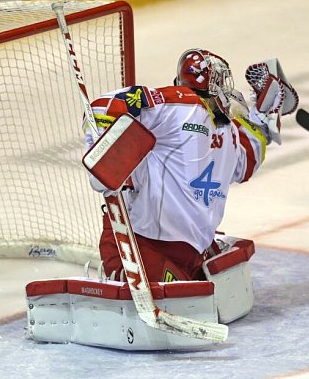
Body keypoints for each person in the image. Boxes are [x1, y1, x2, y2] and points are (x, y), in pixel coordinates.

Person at [85, 48, 297, 282]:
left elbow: (100, 108)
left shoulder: (215, 123)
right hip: (140, 245)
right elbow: (248, 159)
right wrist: (265, 115)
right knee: (187, 298)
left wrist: (102, 153)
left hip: (183, 250)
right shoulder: (201, 116)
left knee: (193, 297)